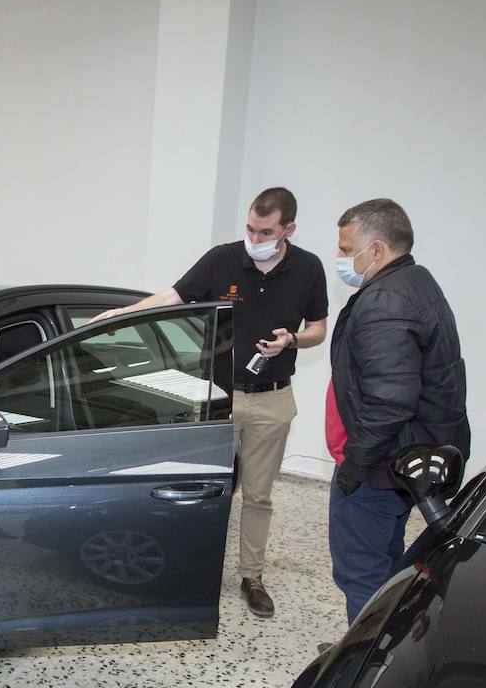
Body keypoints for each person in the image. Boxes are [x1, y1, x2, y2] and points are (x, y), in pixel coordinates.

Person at [95, 187, 328, 617]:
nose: (255, 237)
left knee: (258, 496)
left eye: (266, 231)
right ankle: (194, 569)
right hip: (219, 398)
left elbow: (318, 328)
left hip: (273, 399)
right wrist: (121, 315)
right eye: (250, 228)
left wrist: (293, 339)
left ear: (288, 229)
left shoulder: (308, 268)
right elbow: (173, 297)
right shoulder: (222, 259)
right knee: (207, 492)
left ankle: (252, 576)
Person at [326, 198, 469, 624]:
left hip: (380, 465)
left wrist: (355, 464)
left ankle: (363, 667)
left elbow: (390, 400)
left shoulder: (385, 300)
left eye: (344, 247)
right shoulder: (414, 282)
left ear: (375, 250)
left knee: (361, 570)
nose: (339, 257)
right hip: (404, 460)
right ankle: (378, 643)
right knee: (385, 562)